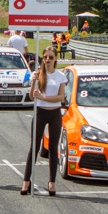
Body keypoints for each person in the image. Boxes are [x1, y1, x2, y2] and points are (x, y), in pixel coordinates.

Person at [21, 47, 67, 197]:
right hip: (40, 112)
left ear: (55, 60)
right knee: (34, 146)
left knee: (53, 148)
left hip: (54, 112)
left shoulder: (60, 76)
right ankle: (26, 181)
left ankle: (52, 182)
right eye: (45, 57)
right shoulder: (38, 74)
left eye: (50, 57)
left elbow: (60, 97)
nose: (47, 59)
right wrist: (33, 81)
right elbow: (31, 97)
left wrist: (44, 97)